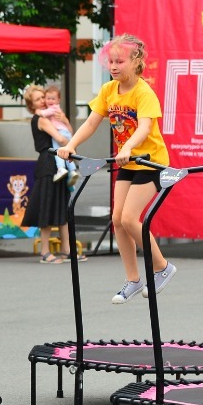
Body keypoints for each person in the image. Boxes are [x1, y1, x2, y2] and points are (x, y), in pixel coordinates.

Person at [59, 34, 173, 302]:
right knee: (117, 220)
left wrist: (127, 148)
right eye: (110, 61)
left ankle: (162, 267)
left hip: (150, 161)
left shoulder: (144, 92)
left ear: (136, 62)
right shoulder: (109, 90)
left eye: (119, 61)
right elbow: (90, 123)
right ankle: (132, 279)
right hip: (128, 161)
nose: (113, 66)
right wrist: (70, 145)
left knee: (128, 218)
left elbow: (144, 127)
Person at [21, 85, 79, 264]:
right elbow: (62, 139)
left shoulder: (53, 118)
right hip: (48, 163)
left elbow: (67, 135)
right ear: (32, 104)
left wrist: (66, 122)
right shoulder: (41, 119)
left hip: (56, 160)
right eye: (38, 99)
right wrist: (71, 141)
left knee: (63, 205)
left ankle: (67, 250)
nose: (43, 101)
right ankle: (45, 252)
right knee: (47, 206)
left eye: (43, 97)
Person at [39, 84, 78, 183]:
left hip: (61, 132)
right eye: (48, 98)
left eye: (53, 98)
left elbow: (43, 113)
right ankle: (72, 170)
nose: (50, 101)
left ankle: (61, 168)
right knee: (67, 153)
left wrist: (38, 111)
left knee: (58, 151)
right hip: (66, 132)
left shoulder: (54, 108)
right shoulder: (58, 110)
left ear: (58, 100)